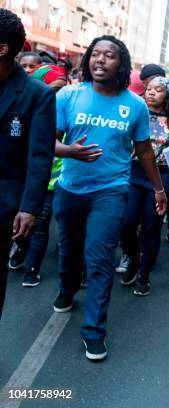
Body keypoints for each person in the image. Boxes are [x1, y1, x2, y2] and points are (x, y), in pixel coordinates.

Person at [52, 35, 167, 361]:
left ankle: (94, 331)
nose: (100, 60)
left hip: (112, 190)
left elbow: (144, 150)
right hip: (71, 187)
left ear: (122, 65)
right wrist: (69, 151)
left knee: (99, 258)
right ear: (88, 60)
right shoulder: (69, 95)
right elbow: (47, 140)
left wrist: (159, 189)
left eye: (109, 56)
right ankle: (66, 287)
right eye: (95, 54)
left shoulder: (135, 105)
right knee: (70, 249)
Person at [0, 9, 56, 317]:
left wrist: (29, 207)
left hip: (5, 205)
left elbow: (40, 155)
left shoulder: (37, 95)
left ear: (2, 49)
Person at [117, 76, 169, 295]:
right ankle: (133, 258)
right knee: (126, 222)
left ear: (168, 95)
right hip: (133, 172)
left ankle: (144, 275)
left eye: (158, 90)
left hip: (161, 176)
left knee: (151, 227)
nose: (152, 93)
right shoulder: (134, 112)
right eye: (149, 89)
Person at [18, 64, 68, 287]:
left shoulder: (66, 112)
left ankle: (32, 268)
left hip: (55, 182)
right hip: (24, 181)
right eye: (53, 89)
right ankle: (20, 250)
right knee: (23, 226)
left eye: (61, 89)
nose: (56, 95)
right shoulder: (25, 108)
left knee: (41, 224)